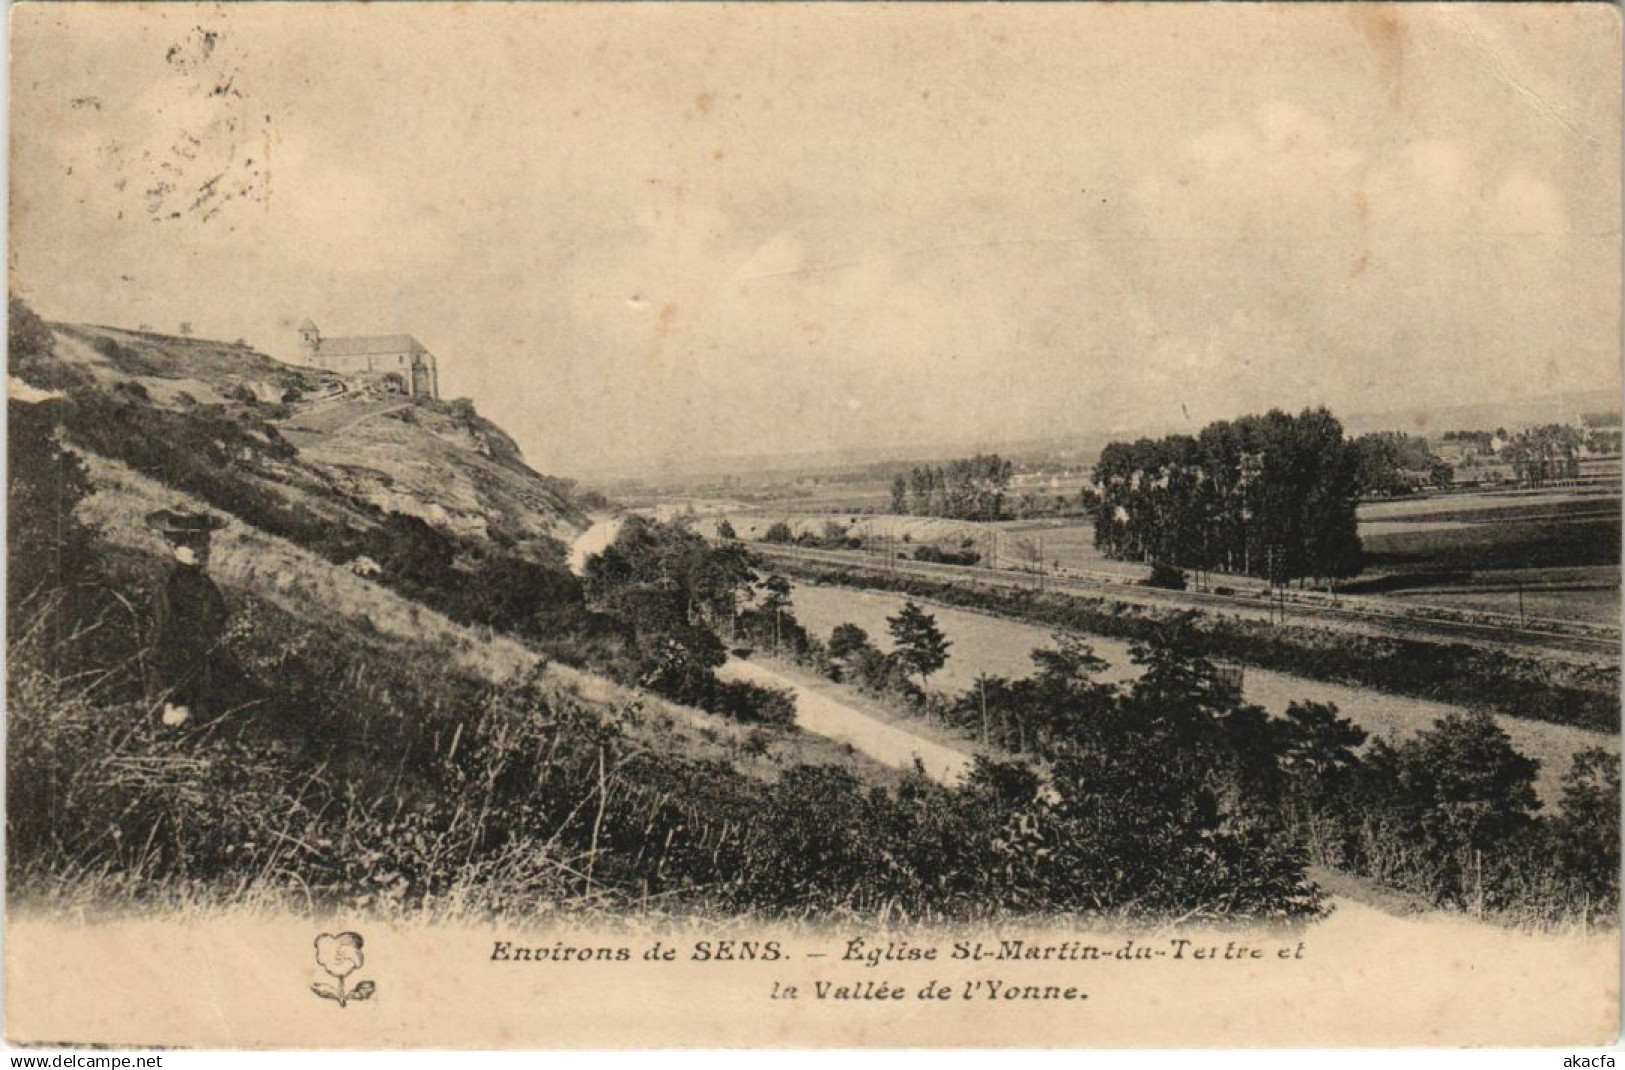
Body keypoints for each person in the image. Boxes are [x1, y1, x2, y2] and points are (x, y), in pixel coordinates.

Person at [145, 509, 230, 727]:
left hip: (205, 677)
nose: (201, 549)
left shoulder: (205, 584)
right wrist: (171, 699)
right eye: (192, 543)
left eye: (204, 541)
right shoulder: (168, 585)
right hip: (176, 684)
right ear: (173, 546)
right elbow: (161, 642)